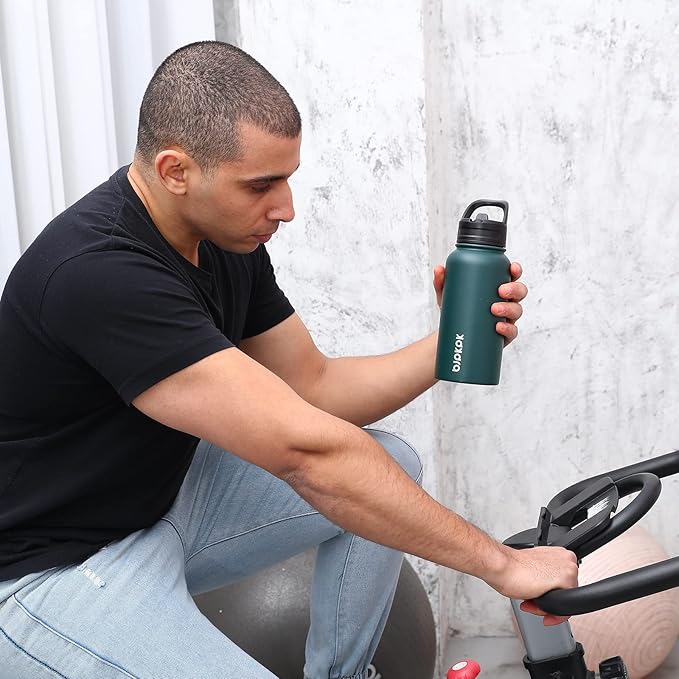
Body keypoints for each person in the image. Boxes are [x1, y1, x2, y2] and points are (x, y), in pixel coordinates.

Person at [0, 40, 577, 679]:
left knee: (389, 464)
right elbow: (306, 452)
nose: (286, 209)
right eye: (261, 185)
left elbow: (314, 386)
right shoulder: (98, 273)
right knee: (336, 467)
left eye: (287, 179)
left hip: (162, 506)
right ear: (175, 170)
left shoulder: (224, 242)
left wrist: (453, 343)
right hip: (54, 570)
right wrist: (502, 564)